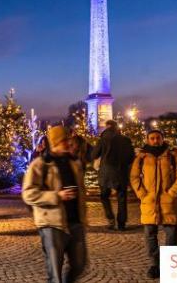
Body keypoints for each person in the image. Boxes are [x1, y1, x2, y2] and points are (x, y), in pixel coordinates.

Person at [22, 126, 88, 283]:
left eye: (68, 139)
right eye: (64, 140)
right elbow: (28, 194)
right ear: (55, 142)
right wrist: (56, 196)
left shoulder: (74, 162)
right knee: (55, 274)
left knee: (79, 264)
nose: (68, 143)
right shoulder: (40, 164)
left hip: (75, 222)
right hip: (52, 224)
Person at [130, 130, 177, 279]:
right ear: (148, 140)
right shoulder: (141, 157)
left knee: (171, 234)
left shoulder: (173, 155)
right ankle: (154, 264)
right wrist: (142, 194)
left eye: (158, 138)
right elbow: (134, 176)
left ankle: (169, 264)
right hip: (149, 202)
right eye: (152, 138)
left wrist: (173, 192)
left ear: (162, 139)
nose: (155, 140)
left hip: (169, 201)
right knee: (150, 235)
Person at [91, 120, 134, 230]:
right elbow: (131, 157)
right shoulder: (125, 140)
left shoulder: (103, 139)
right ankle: (121, 224)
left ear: (107, 126)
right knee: (122, 198)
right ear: (116, 127)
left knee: (104, 196)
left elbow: (94, 154)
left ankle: (110, 218)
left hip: (106, 172)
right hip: (121, 172)